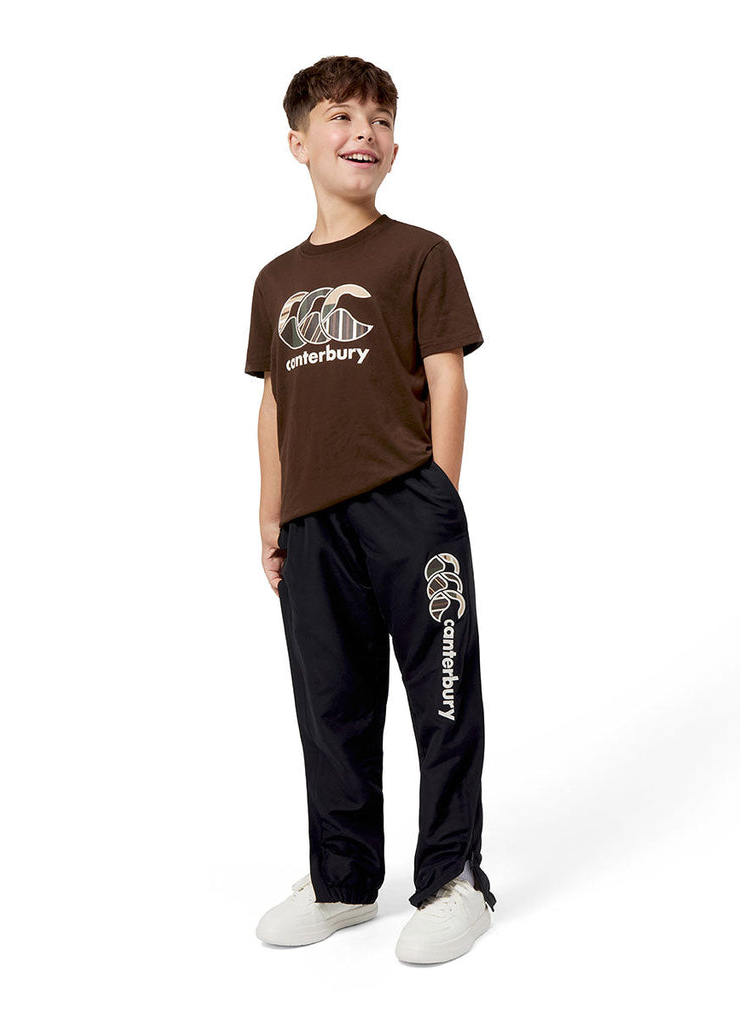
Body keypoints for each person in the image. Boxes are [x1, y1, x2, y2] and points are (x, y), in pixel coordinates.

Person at [243, 55, 496, 965]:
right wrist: (271, 514)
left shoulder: (419, 254)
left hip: (407, 508)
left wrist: (438, 498)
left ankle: (454, 877)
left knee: (442, 694)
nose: (365, 133)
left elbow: (447, 378)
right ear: (298, 143)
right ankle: (344, 880)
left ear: (395, 144)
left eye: (381, 119)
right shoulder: (276, 280)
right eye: (342, 117)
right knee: (332, 707)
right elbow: (275, 400)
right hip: (313, 524)